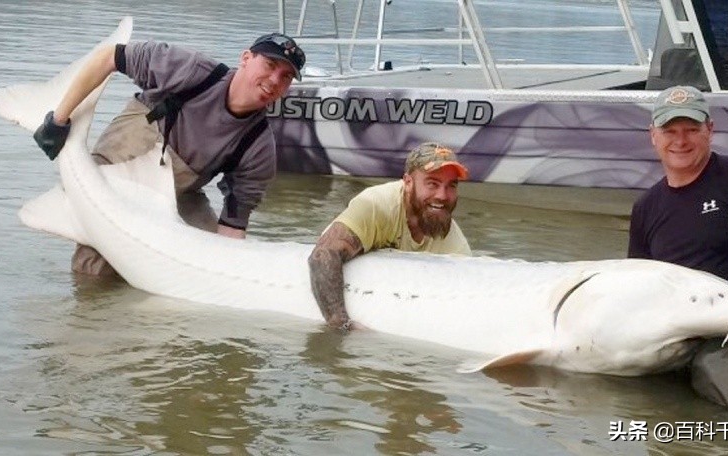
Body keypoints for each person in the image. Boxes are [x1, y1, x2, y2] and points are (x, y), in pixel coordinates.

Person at [32, 32, 305, 276]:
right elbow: (110, 56)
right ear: (246, 58)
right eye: (270, 66)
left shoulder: (259, 147)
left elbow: (233, 226)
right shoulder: (191, 70)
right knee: (99, 273)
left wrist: (222, 273)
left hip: (175, 192)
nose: (274, 80)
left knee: (211, 260)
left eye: (285, 77)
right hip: (121, 163)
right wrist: (59, 119)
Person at [628, 85, 728, 410]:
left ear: (710, 130)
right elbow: (639, 285)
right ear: (653, 136)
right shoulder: (646, 208)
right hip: (694, 330)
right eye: (670, 131)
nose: (681, 141)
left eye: (691, 129)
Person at [308, 142, 472, 330]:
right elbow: (322, 256)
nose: (443, 196)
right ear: (408, 182)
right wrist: (341, 325)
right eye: (432, 184)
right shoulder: (376, 204)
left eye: (451, 186)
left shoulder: (445, 228)